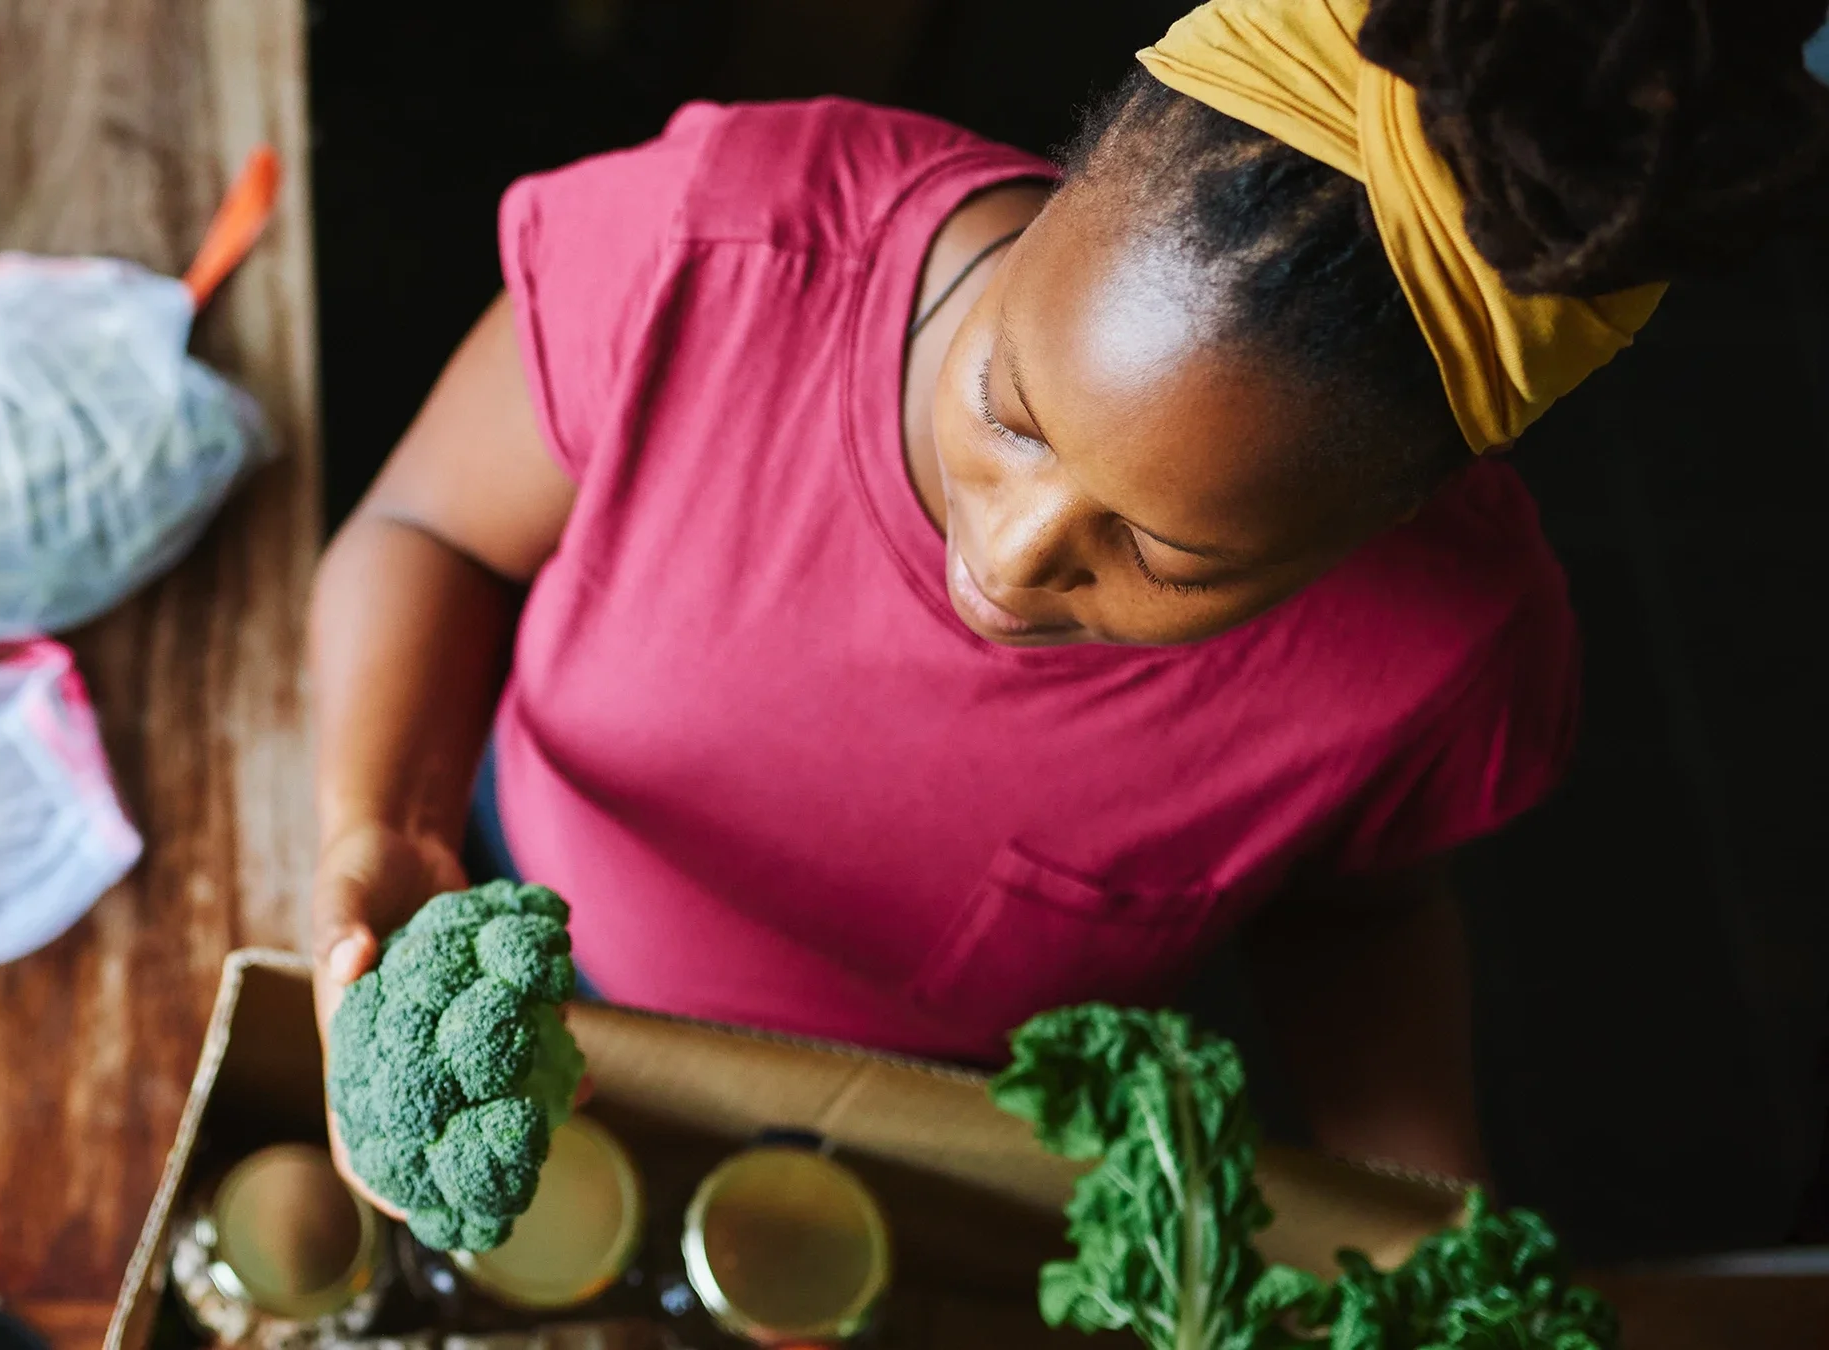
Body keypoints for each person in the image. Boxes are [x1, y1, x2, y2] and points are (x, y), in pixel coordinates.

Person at [308, 0, 1829, 1188]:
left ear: (1386, 521)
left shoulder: (1444, 656)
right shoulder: (720, 250)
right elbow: (429, 528)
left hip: (917, 1138)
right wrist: (384, 818)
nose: (1012, 558)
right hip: (494, 885)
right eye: (1010, 403)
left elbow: (1354, 916)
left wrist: (1422, 1212)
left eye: (1163, 553)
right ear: (1073, 168)